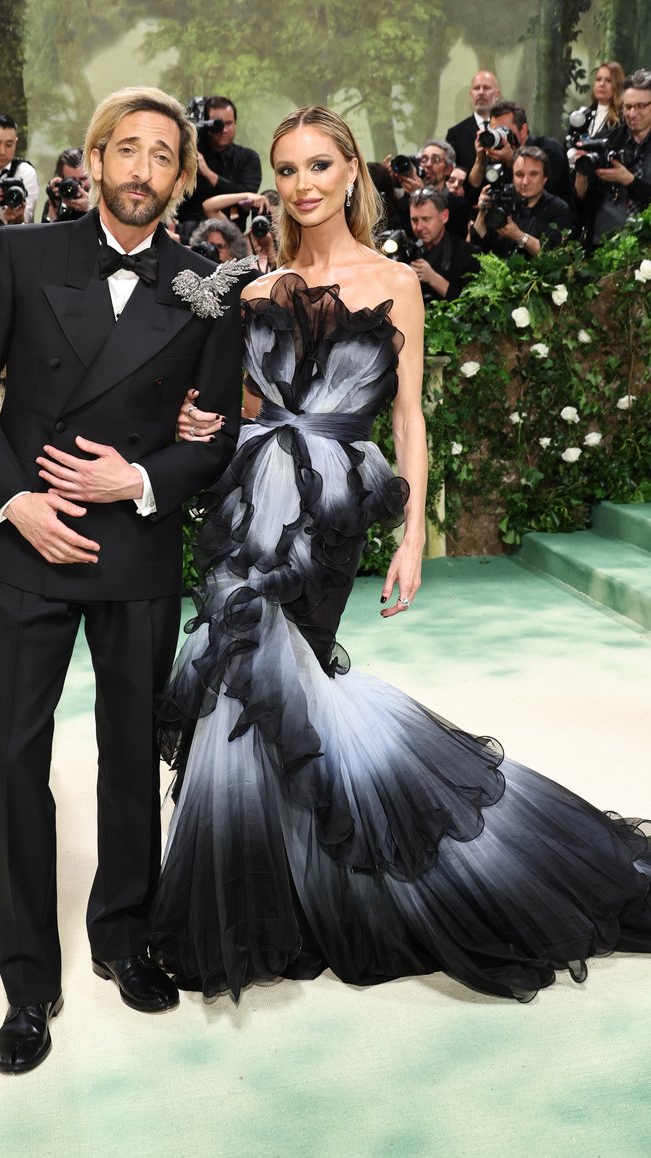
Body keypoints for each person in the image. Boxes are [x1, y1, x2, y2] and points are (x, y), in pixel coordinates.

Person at [148, 105, 651, 1003]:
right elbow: (241, 410)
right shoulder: (254, 289)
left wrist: (413, 530)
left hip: (330, 512)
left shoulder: (394, 282)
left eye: (319, 167)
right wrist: (202, 421)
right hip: (245, 505)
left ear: (350, 174)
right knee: (239, 683)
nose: (303, 186)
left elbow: (410, 418)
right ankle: (269, 899)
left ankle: (324, 884)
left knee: (287, 677)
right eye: (290, 171)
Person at [0, 87, 245, 1075]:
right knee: (18, 764)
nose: (144, 169)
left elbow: (218, 437)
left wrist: (143, 477)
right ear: (96, 157)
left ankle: (124, 936)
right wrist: (15, 502)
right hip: (28, 544)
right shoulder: (23, 257)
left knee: (125, 756)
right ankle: (28, 983)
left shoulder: (208, 287)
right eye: (129, 149)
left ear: (182, 174)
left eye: (165, 155)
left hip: (135, 550)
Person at [574, 68, 651, 246]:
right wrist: (581, 172)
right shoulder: (604, 141)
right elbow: (580, 202)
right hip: (605, 245)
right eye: (628, 107)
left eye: (640, 106)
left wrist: (629, 180)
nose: (632, 114)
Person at [177, 96, 262, 234]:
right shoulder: (191, 155)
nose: (223, 129)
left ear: (236, 123)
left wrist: (209, 174)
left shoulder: (248, 157)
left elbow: (247, 194)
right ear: (206, 124)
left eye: (229, 123)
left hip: (229, 237)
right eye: (217, 124)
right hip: (187, 233)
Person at [472, 146, 573, 257]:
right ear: (513, 177)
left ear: (545, 177)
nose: (525, 182)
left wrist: (519, 236)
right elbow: (475, 247)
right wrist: (482, 212)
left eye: (533, 174)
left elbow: (554, 256)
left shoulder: (559, 209)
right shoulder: (501, 199)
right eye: (519, 175)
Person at [408, 187, 479, 300]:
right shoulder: (407, 250)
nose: (419, 227)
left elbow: (470, 306)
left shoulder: (467, 253)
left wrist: (434, 279)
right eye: (414, 220)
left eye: (426, 219)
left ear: (444, 216)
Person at [0, 113, 39, 225]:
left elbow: (27, 219)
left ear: (16, 142)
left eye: (9, 145)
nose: (2, 151)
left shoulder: (25, 172)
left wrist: (18, 216)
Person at [446, 70, 502, 171]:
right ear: (471, 94)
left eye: (486, 88)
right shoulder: (455, 135)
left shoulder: (507, 128)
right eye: (476, 88)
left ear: (497, 94)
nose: (481, 92)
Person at [41, 146, 90, 223]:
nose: (78, 185)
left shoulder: (104, 200)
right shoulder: (58, 202)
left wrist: (92, 207)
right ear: (61, 180)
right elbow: (46, 234)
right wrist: (54, 210)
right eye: (72, 180)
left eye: (83, 179)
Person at [587, 61, 625, 137]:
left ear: (617, 85)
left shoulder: (623, 119)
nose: (602, 84)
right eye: (598, 79)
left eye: (608, 81)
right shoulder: (584, 114)